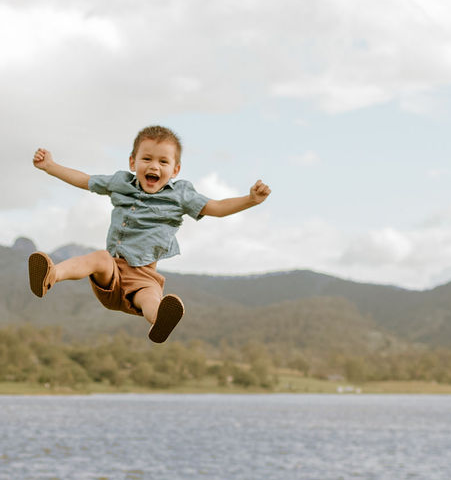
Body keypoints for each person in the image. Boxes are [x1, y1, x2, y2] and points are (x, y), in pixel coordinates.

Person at [26, 125, 271, 343]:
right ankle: (51, 275)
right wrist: (50, 166)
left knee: (151, 297)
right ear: (132, 163)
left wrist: (250, 200)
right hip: (112, 272)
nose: (154, 166)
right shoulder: (120, 183)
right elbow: (85, 180)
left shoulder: (180, 195)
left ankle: (159, 321)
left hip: (144, 276)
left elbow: (216, 207)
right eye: (147, 159)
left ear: (175, 170)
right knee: (99, 257)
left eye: (163, 162)